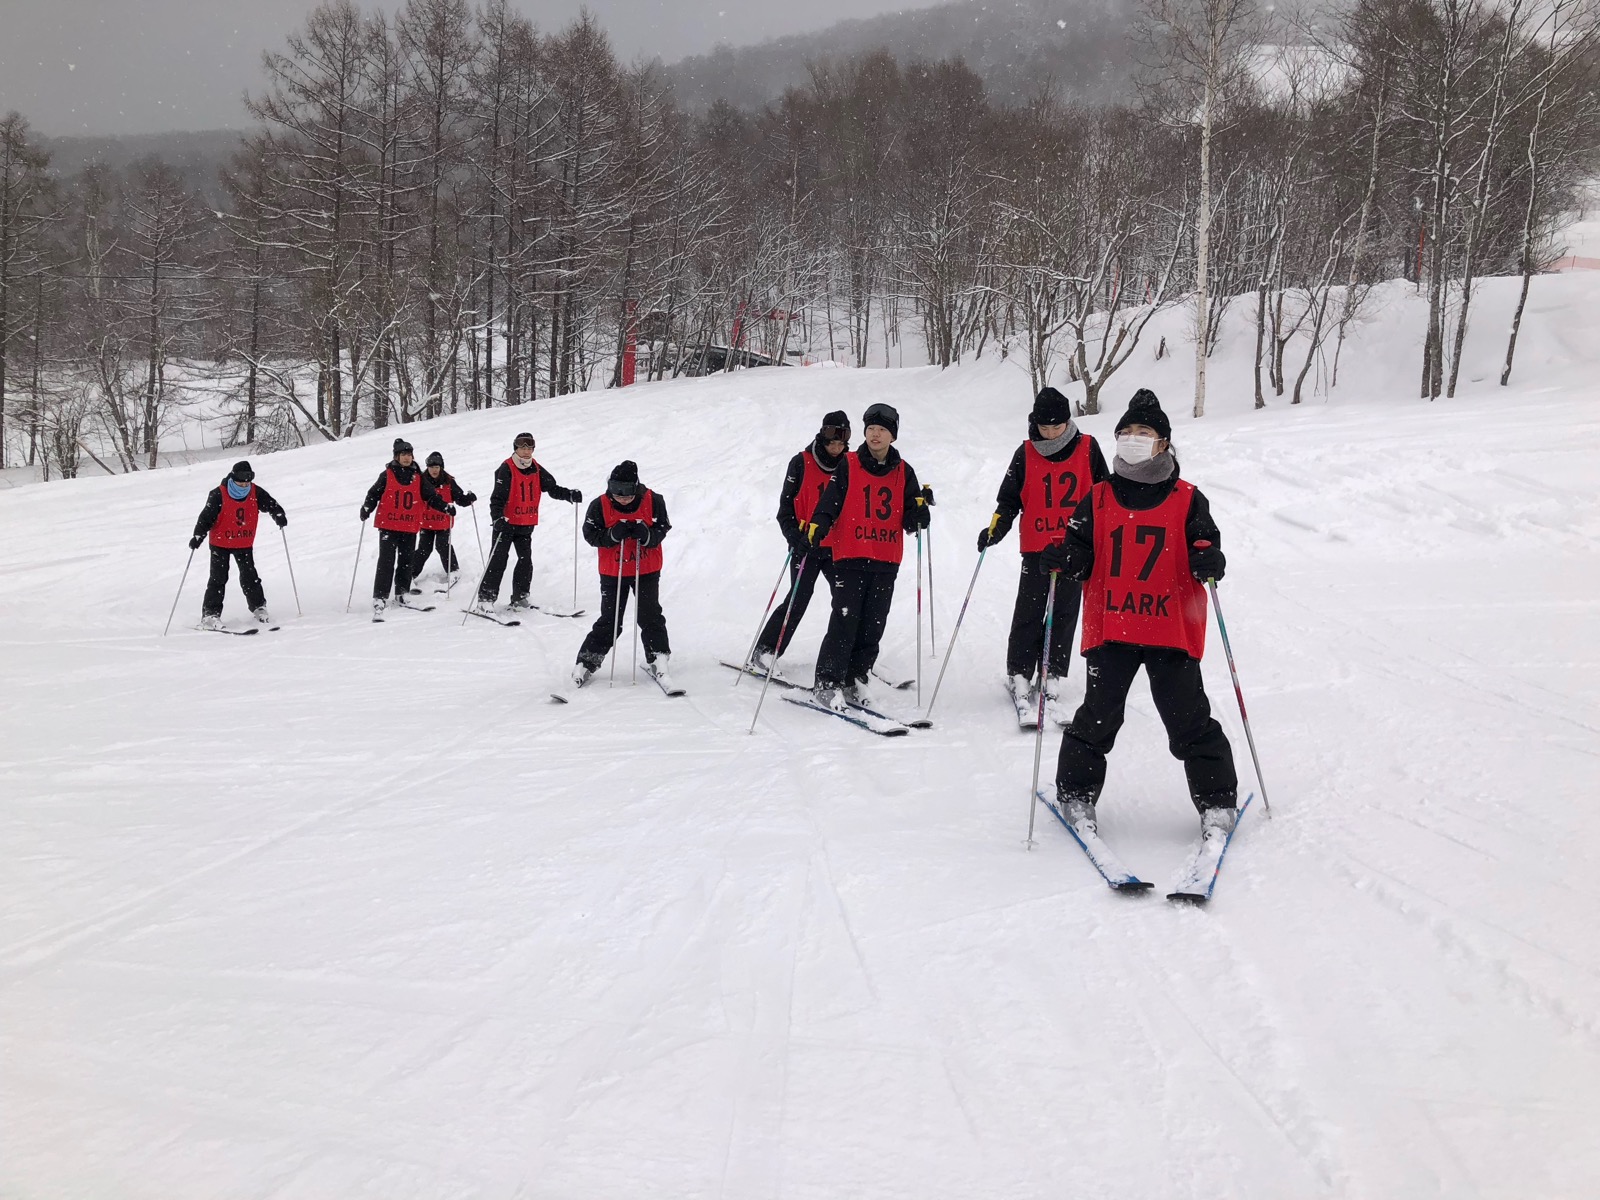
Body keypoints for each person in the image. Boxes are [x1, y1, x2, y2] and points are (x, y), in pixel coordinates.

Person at [1041, 388, 1238, 835]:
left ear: (1163, 443)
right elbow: (1079, 552)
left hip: (1171, 627)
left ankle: (1216, 801)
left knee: (1188, 719)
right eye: (1125, 432)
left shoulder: (1188, 498)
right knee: (1097, 716)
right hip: (1113, 625)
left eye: (1143, 432)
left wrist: (1211, 560)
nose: (1132, 438)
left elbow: (1206, 545)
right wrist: (1063, 560)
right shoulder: (1099, 497)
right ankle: (1075, 795)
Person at [978, 386, 1109, 715]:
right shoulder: (1025, 453)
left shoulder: (1089, 448)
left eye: (1056, 427)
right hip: (1036, 547)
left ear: (1068, 422)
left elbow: (1105, 495)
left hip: (1074, 548)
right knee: (1029, 611)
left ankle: (1052, 672)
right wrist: (997, 527)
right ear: (1034, 423)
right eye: (1043, 427)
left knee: (1064, 613)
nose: (1049, 433)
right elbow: (1008, 500)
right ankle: (1020, 672)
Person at [804, 403, 931, 712]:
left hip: (886, 557)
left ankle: (855, 678)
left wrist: (920, 514)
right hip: (850, 554)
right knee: (846, 620)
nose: (875, 435)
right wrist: (820, 521)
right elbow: (830, 500)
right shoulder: (848, 464)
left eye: (882, 430)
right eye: (871, 429)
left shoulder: (905, 471)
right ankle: (827, 681)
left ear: (893, 436)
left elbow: (910, 517)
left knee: (873, 625)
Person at [748, 410, 851, 671]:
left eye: (842, 443)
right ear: (822, 437)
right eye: (832, 442)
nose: (837, 448)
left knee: (847, 603)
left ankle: (850, 655)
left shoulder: (850, 464)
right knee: (798, 599)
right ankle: (765, 650)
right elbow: (785, 509)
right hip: (806, 545)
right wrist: (794, 536)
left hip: (837, 547)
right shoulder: (801, 462)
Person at [572, 461, 674, 689]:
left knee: (650, 615)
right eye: (616, 491)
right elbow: (590, 535)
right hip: (613, 571)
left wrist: (647, 535)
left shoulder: (654, 500)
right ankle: (586, 662)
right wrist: (611, 536)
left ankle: (658, 657)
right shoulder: (598, 505)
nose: (622, 497)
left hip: (646, 568)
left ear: (636, 487)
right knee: (610, 621)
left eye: (627, 492)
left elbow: (663, 527)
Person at [470, 432, 581, 613]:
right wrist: (497, 518)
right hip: (506, 524)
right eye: (523, 448)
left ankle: (520, 596)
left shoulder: (536, 468)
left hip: (525, 524)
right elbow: (497, 498)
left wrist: (569, 494)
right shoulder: (506, 468)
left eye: (530, 448)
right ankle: (485, 599)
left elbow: (551, 488)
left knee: (525, 561)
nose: (526, 452)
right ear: (516, 449)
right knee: (498, 560)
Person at [359, 438, 452, 617]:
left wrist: (445, 506)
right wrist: (367, 508)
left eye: (409, 455)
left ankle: (402, 592)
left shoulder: (417, 476)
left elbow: (431, 497)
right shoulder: (387, 474)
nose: (407, 458)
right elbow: (374, 493)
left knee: (406, 562)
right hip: (389, 525)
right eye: (403, 455)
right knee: (386, 561)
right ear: (396, 456)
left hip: (409, 526)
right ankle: (380, 596)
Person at [189, 460, 287, 630]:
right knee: (218, 579)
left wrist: (278, 514)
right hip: (220, 544)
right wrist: (198, 535)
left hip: (243, 542)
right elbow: (206, 517)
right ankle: (210, 614)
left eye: (247, 481)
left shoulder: (255, 491)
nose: (244, 484)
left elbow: (271, 504)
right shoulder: (218, 494)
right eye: (241, 481)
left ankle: (258, 607)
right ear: (233, 478)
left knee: (250, 577)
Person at [411, 451, 477, 589]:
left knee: (442, 546)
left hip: (443, 523)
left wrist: (468, 499)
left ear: (441, 467)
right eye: (431, 467)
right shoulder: (421, 481)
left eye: (436, 467)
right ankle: (410, 574)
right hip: (426, 522)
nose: (434, 470)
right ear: (427, 467)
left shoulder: (448, 481)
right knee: (424, 549)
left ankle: (453, 571)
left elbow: (459, 497)